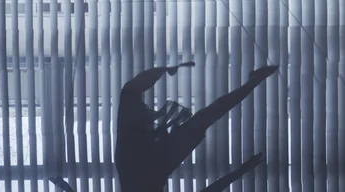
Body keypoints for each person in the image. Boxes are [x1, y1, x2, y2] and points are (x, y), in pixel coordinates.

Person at [49, 62, 279, 192]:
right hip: (154, 163)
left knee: (207, 116)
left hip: (141, 161)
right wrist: (242, 170)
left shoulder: (133, 140)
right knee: (207, 116)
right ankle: (254, 80)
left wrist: (63, 185)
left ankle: (254, 80)